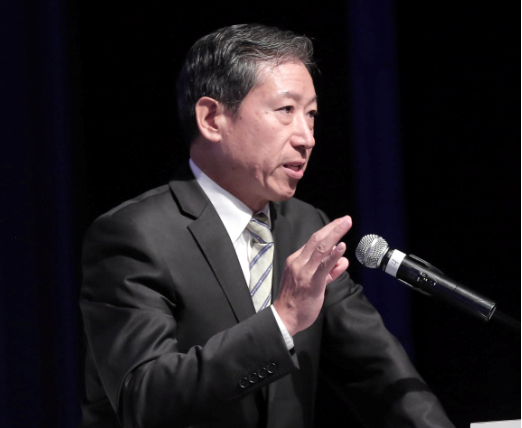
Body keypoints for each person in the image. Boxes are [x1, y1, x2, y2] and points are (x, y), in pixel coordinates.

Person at [80, 24, 454, 427]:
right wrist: (283, 318)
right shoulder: (135, 235)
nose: (307, 138)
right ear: (211, 119)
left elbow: (378, 374)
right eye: (286, 111)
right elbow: (144, 399)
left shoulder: (306, 227)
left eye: (311, 115)